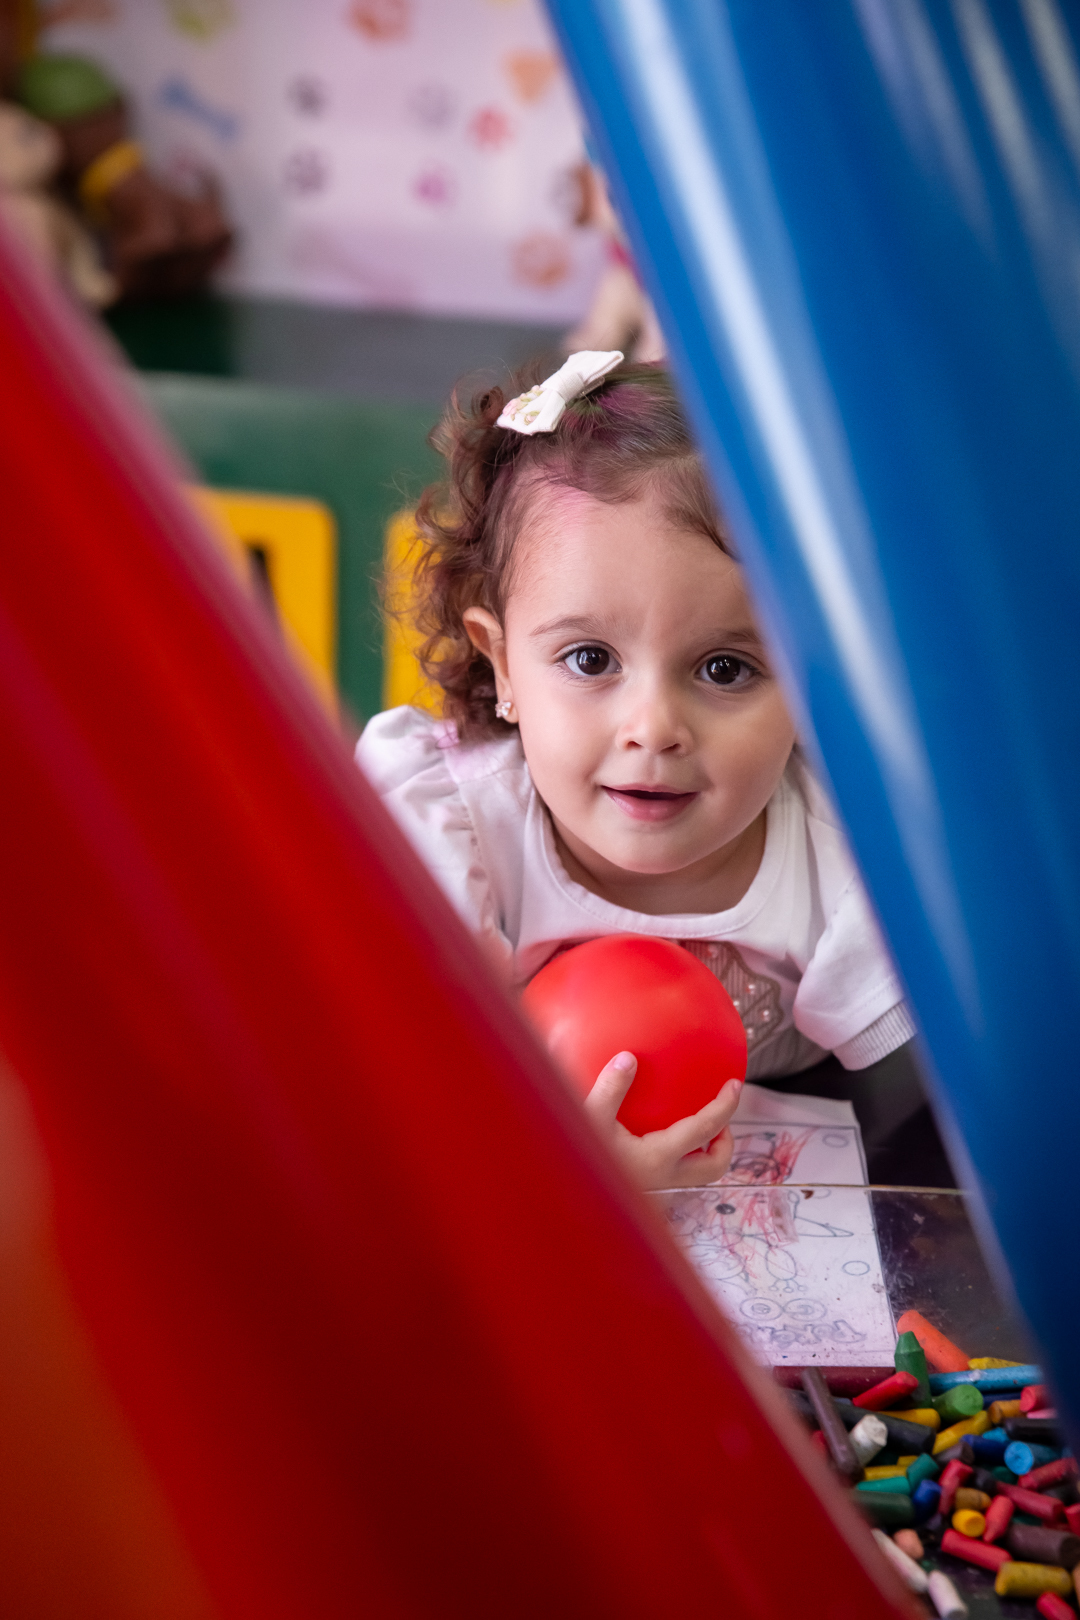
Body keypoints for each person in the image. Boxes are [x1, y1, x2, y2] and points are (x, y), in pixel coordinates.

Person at [356, 353, 916, 1191]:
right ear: (502, 665)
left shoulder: (846, 862)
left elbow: (921, 1118)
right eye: (589, 659)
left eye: (726, 669)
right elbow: (384, 1087)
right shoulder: (456, 828)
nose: (653, 729)